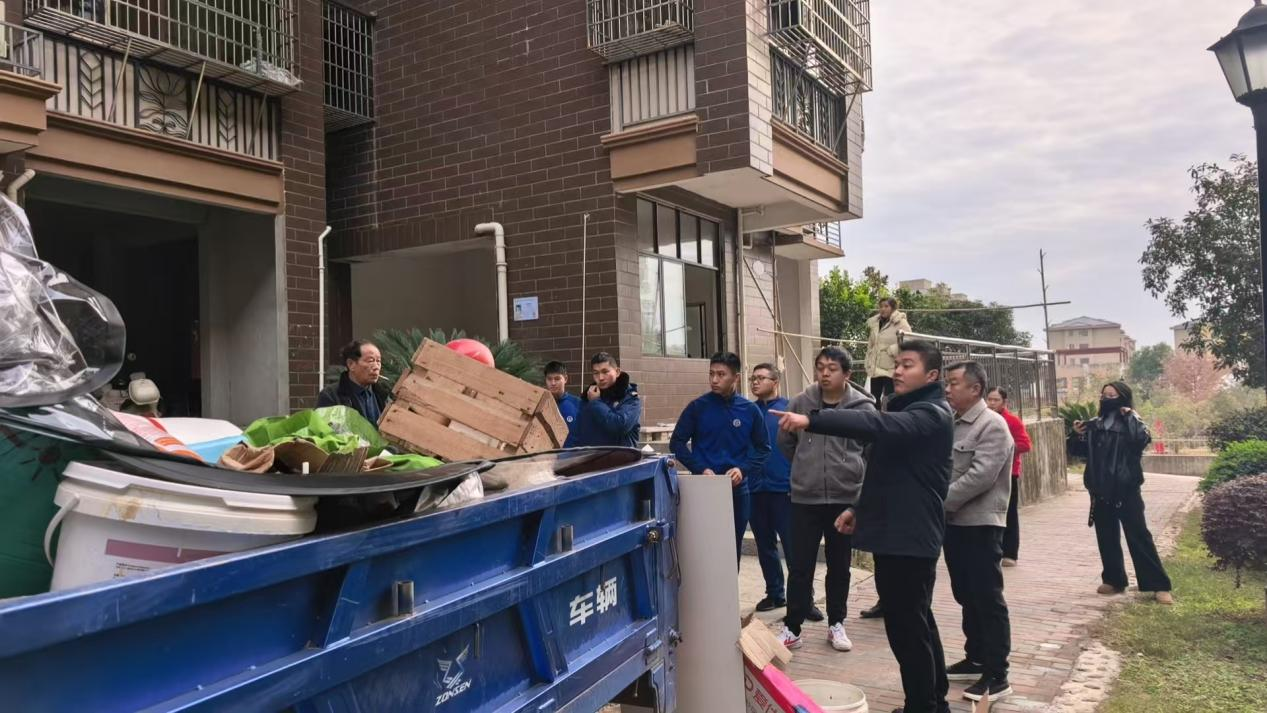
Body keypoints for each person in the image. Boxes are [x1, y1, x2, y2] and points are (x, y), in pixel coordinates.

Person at [774, 340, 953, 713]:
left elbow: (875, 424)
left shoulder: (931, 413)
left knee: (908, 629)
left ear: (932, 375)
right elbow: (883, 471)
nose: (897, 370)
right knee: (917, 622)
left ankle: (923, 706)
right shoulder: (909, 409)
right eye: (896, 363)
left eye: (907, 365)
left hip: (910, 535)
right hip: (896, 533)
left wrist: (813, 419)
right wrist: (858, 507)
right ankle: (933, 702)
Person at [776, 347, 875, 653]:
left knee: (839, 566)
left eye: (832, 368)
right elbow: (786, 442)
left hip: (844, 498)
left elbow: (871, 451)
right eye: (820, 367)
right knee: (800, 566)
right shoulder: (801, 402)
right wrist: (806, 466)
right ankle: (792, 627)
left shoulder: (862, 408)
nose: (825, 373)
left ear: (847, 374)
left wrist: (852, 477)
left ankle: (837, 624)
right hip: (805, 498)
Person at [942, 362, 1015, 704]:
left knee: (987, 597)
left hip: (981, 524)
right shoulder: (952, 423)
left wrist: (938, 501)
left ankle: (997, 673)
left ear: (975, 389)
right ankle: (975, 658)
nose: (947, 389)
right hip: (955, 523)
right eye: (947, 383)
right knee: (966, 593)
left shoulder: (992, 425)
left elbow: (981, 476)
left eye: (954, 383)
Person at [1071, 382, 1173, 605]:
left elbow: (1140, 441)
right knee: (1106, 536)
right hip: (1100, 489)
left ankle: (1159, 585)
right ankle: (1114, 579)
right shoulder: (1095, 424)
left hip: (1126, 489)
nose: (1106, 399)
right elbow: (1078, 453)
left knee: (1139, 536)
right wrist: (1077, 435)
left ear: (1123, 397)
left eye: (1112, 395)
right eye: (1104, 395)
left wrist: (1130, 416)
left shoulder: (1133, 422)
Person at [670, 352, 771, 567]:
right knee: (702, 548)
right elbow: (677, 443)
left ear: (736, 377)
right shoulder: (697, 408)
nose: (714, 380)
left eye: (721, 374)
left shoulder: (750, 410)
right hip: (703, 489)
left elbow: (763, 449)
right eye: (711, 374)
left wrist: (742, 469)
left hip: (737, 491)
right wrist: (701, 468)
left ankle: (729, 589)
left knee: (731, 549)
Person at [749, 364, 826, 623]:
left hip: (785, 489)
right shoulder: (748, 411)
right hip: (756, 489)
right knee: (765, 545)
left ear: (776, 381)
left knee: (795, 549)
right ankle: (775, 593)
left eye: (761, 378)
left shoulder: (790, 409)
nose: (755, 382)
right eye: (753, 378)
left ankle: (805, 601)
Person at [986, 387, 1033, 566]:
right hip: (987, 473)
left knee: (1009, 513)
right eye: (989, 399)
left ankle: (1010, 553)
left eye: (995, 400)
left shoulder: (1012, 421)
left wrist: (1004, 448)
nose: (991, 403)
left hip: (1008, 473)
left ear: (1004, 402)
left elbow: (1025, 444)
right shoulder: (983, 420)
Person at [567, 352, 642, 448]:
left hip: (621, 455)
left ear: (617, 372)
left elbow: (620, 426)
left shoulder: (630, 399)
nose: (600, 378)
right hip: (592, 455)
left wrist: (596, 402)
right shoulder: (587, 398)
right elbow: (578, 432)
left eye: (605, 372)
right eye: (596, 373)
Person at [318, 340, 388, 424]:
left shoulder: (384, 394)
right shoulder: (331, 395)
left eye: (378, 361)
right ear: (351, 364)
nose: (376, 367)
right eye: (370, 361)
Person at [864, 297, 911, 404]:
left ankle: (890, 415)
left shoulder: (901, 322)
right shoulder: (875, 323)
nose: (883, 309)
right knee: (874, 398)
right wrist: (868, 359)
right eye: (881, 306)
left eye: (886, 306)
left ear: (893, 308)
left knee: (890, 399)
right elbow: (871, 344)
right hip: (876, 367)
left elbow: (909, 340)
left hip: (891, 368)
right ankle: (876, 415)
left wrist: (893, 350)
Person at [545, 361, 583, 444]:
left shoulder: (578, 404)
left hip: (573, 452)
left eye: (557, 379)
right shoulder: (540, 405)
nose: (553, 383)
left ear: (565, 379)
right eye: (549, 379)